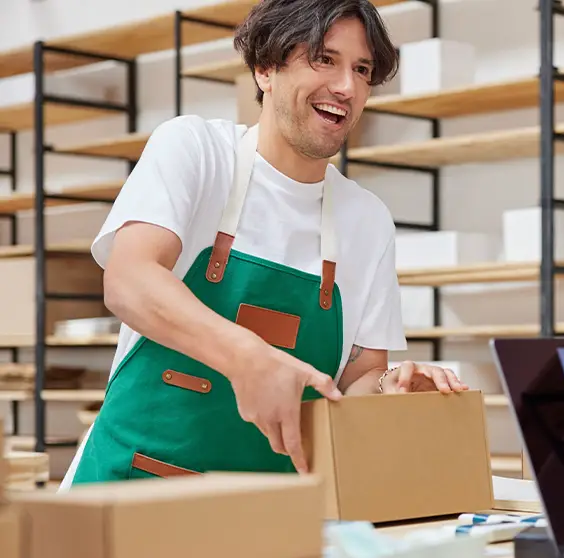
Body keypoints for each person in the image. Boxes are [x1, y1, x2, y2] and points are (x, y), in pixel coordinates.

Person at [60, 0, 468, 489]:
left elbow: (354, 383)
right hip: (131, 495)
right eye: (324, 59)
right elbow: (128, 280)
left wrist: (391, 389)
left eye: (362, 70)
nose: (347, 87)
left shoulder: (367, 220)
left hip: (271, 513)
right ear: (265, 68)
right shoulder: (196, 150)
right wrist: (249, 358)